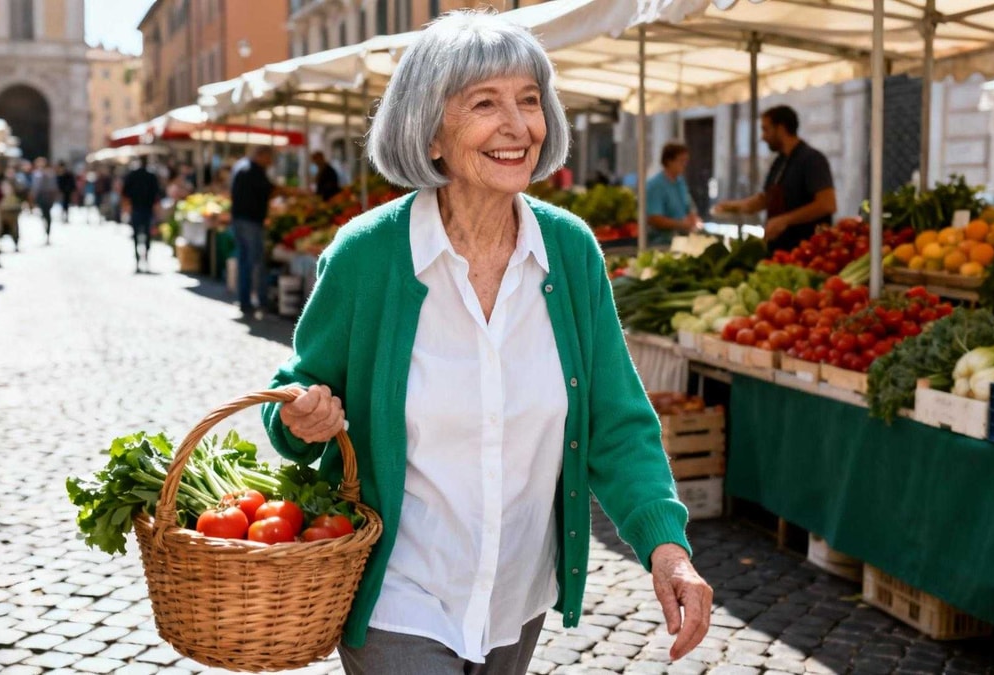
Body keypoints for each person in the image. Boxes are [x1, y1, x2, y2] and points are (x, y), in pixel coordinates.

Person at [260, 12, 713, 675]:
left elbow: (618, 419)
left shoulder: (570, 252)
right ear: (431, 132)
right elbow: (290, 403)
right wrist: (304, 416)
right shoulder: (368, 255)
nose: (519, 125)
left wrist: (666, 546)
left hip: (517, 601)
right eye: (485, 103)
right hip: (397, 595)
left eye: (529, 100)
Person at [714, 105, 837, 251]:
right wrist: (734, 206)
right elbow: (766, 199)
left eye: (766, 129)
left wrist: (785, 220)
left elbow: (827, 204)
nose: (763, 137)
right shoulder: (780, 161)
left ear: (781, 128)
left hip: (806, 250)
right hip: (779, 251)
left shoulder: (812, 159)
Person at [230, 146, 279, 317]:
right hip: (251, 222)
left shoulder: (241, 167)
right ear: (262, 155)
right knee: (254, 262)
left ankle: (246, 300)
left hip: (240, 220)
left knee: (245, 260)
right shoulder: (253, 171)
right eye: (269, 157)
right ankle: (259, 300)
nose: (271, 162)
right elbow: (268, 191)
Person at [644, 142, 701, 247]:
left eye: (686, 161)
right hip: (662, 243)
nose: (685, 165)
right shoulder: (655, 186)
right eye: (681, 161)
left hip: (683, 239)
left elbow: (688, 206)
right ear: (669, 161)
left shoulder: (680, 182)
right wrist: (682, 224)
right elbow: (654, 219)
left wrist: (693, 217)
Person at [120, 157, 162, 273]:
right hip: (147, 210)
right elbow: (157, 196)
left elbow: (125, 193)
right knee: (147, 235)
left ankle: (138, 259)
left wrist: (126, 208)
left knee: (136, 235)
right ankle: (146, 257)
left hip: (136, 209)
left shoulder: (132, 176)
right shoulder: (151, 177)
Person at [30, 158, 60, 244]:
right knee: (45, 215)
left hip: (47, 197)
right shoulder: (37, 174)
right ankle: (47, 231)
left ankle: (47, 232)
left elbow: (53, 187)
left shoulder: (48, 174)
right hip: (43, 197)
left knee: (46, 215)